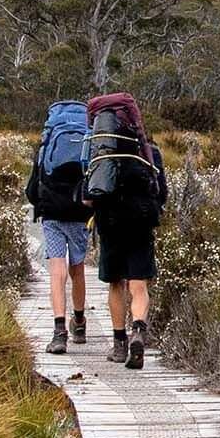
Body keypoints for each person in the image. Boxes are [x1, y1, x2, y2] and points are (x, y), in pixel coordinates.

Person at [82, 91, 167, 370]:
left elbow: (87, 197)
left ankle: (119, 345)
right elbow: (161, 193)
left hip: (110, 223)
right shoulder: (149, 152)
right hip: (140, 222)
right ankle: (139, 331)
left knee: (115, 284)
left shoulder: (98, 154)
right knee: (138, 284)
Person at [25, 96, 93, 355]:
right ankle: (79, 322)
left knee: (56, 269)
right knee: (77, 268)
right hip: (79, 210)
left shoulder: (47, 140)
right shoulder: (88, 136)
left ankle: (58, 331)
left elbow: (33, 188)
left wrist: (40, 204)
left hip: (52, 211)